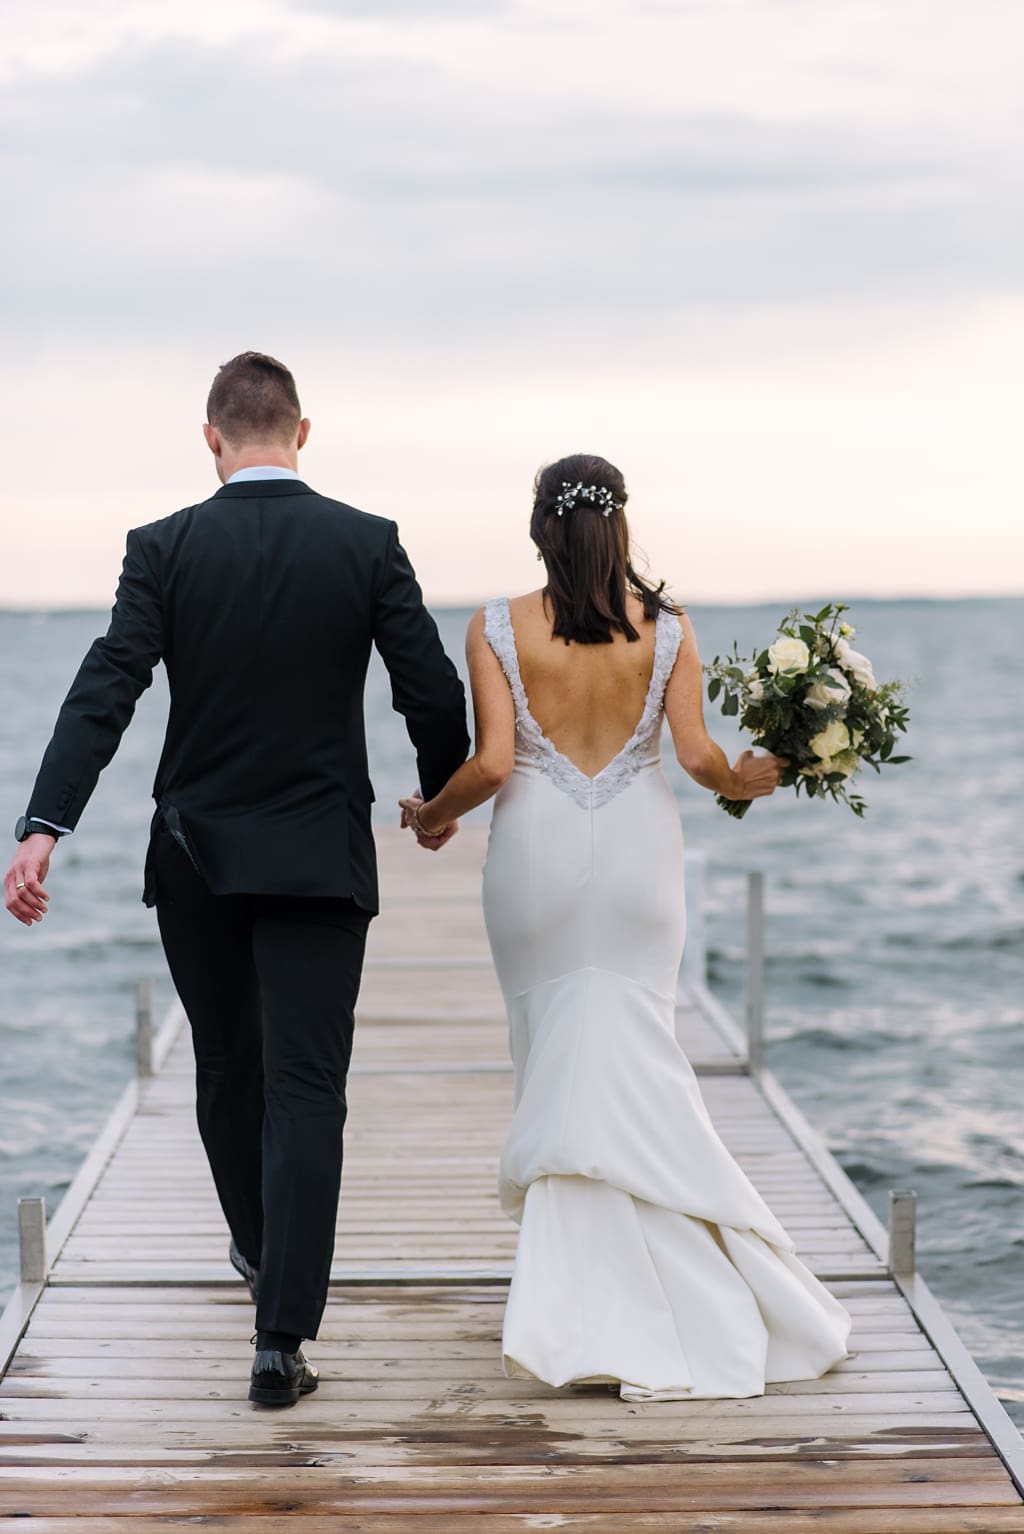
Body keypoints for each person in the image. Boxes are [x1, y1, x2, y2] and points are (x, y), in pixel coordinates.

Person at [4, 352, 470, 1407]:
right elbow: (428, 688)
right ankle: (279, 1338)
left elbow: (105, 688)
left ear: (211, 437)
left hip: (199, 857)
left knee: (225, 1068)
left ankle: (260, 1249)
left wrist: (44, 827)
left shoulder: (163, 548)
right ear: (303, 432)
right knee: (307, 1088)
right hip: (315, 854)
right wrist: (440, 799)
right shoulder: (366, 542)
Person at [400, 453, 851, 1399]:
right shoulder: (671, 627)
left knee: (553, 1055)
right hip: (642, 859)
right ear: (619, 528)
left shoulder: (494, 625)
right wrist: (753, 777)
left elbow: (490, 768)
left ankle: (574, 1306)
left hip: (536, 861)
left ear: (540, 528)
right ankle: (669, 1286)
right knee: (643, 1053)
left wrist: (432, 814)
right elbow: (700, 761)